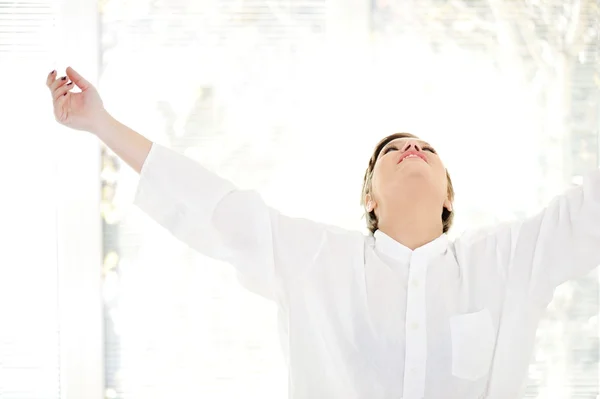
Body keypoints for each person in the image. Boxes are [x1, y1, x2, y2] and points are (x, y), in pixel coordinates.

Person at [46, 67, 600, 399]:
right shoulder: (316, 260)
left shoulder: (507, 261)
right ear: (369, 199)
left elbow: (588, 213)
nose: (412, 149)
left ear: (449, 196)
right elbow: (216, 209)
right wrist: (99, 122)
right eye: (391, 150)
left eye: (427, 149)